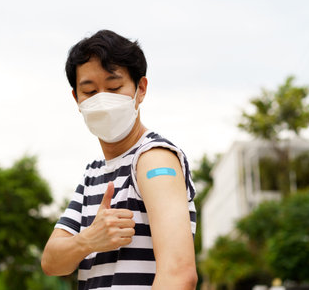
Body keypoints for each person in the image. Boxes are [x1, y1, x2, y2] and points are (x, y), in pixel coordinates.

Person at [41, 30, 197, 289]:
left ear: (141, 89)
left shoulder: (154, 159)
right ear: (76, 99)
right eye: (90, 91)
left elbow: (178, 273)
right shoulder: (93, 174)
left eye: (114, 88)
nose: (102, 100)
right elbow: (51, 262)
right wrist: (89, 240)